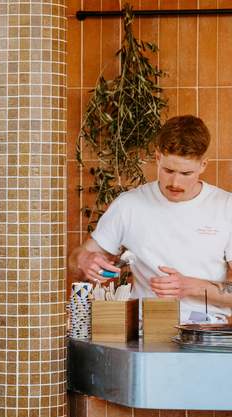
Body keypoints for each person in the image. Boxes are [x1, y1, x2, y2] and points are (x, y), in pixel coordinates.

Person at [70, 115, 232, 323]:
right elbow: (77, 263)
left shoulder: (226, 206)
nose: (175, 182)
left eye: (186, 173)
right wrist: (85, 261)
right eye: (168, 170)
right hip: (143, 332)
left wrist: (191, 286)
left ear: (203, 165)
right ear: (157, 158)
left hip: (206, 335)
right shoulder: (129, 205)